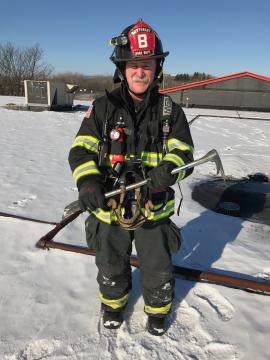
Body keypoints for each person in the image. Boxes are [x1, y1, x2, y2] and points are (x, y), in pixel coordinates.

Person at [68, 19, 194, 336]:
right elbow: (80, 151)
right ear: (122, 68)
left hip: (156, 208)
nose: (140, 72)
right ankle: (113, 306)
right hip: (109, 208)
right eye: (134, 64)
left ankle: (157, 312)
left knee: (158, 268)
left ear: (157, 67)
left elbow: (185, 153)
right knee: (110, 263)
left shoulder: (171, 112)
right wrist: (89, 182)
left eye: (147, 64)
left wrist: (171, 168)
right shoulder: (101, 109)